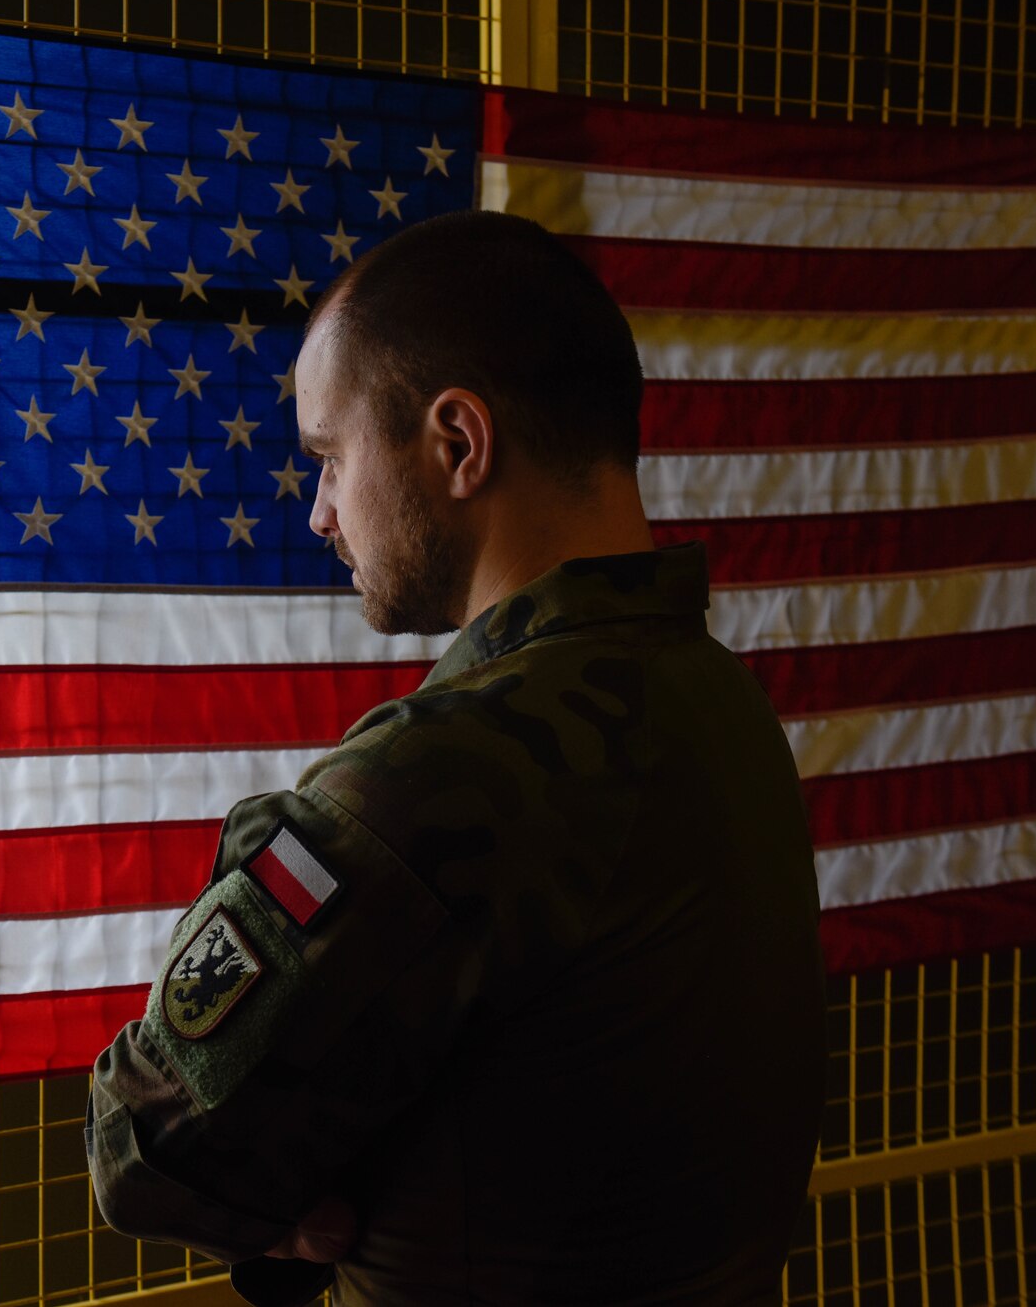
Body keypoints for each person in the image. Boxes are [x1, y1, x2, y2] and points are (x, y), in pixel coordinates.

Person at [85, 210, 825, 1306]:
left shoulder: (445, 775)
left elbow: (147, 1144)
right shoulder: (717, 701)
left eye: (330, 456)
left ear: (456, 444)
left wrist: (287, 1187)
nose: (318, 513)